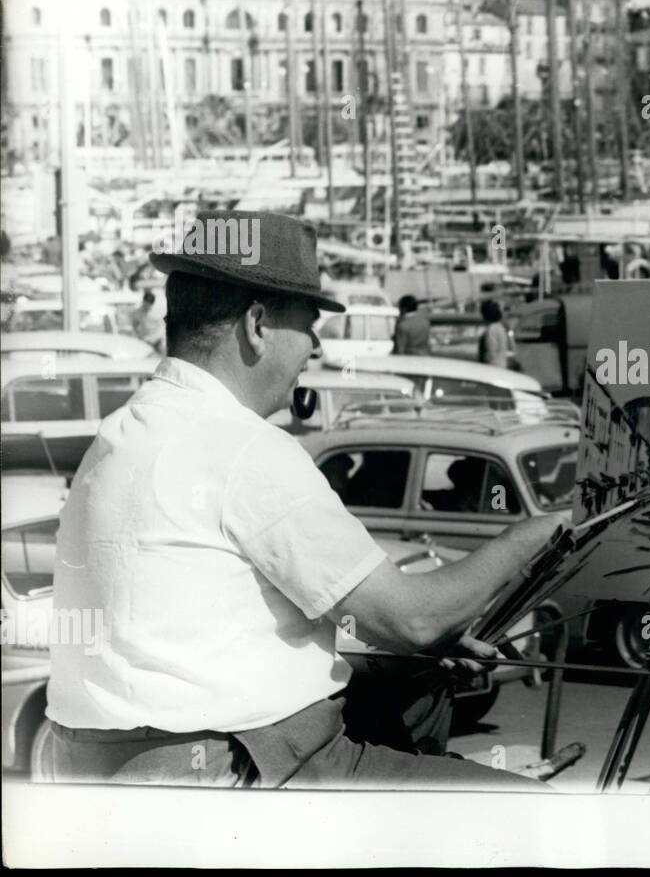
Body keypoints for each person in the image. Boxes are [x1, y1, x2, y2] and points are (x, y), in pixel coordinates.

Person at [46, 211, 565, 790]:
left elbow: (211, 636)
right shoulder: (242, 446)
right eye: (309, 324)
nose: (315, 347)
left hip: (114, 763)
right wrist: (530, 539)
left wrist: (404, 650)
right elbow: (413, 619)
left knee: (414, 693)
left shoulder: (119, 433)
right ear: (258, 324)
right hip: (235, 768)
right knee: (522, 802)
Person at [477, 299, 512, 368]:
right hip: (502, 364)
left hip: (493, 367)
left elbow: (491, 353)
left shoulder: (491, 329)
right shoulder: (501, 327)